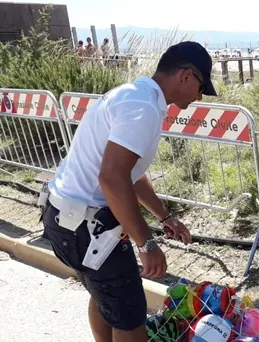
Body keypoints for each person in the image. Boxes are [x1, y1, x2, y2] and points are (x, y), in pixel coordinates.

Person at [40, 41, 217, 342]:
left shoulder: (134, 95)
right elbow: (112, 178)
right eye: (202, 87)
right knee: (130, 314)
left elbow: (131, 176)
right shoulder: (144, 106)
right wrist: (146, 244)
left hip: (64, 219)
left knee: (107, 295)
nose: (200, 97)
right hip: (86, 227)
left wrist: (164, 216)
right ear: (186, 75)